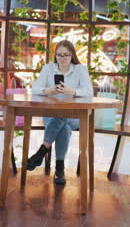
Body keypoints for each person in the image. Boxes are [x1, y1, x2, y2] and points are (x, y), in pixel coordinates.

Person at [29, 40, 93, 185]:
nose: (62, 58)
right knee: (63, 126)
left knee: (63, 119)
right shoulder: (48, 68)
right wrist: (47, 90)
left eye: (66, 55)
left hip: (75, 115)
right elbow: (35, 89)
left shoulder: (80, 69)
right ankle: (59, 169)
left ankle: (42, 151)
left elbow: (89, 92)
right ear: (55, 55)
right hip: (51, 114)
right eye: (59, 55)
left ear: (72, 55)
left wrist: (73, 92)